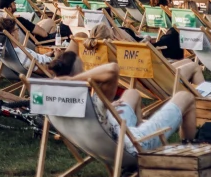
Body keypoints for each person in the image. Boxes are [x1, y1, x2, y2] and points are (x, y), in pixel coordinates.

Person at [63, 59, 197, 153]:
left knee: (132, 93)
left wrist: (108, 108)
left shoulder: (69, 105)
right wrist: (73, 80)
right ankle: (188, 149)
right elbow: (112, 68)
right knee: (185, 96)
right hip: (130, 145)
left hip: (102, 140)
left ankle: (143, 131)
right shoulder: (89, 99)